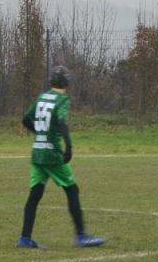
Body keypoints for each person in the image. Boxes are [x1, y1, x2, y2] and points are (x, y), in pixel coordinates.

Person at [17, 68, 105, 248]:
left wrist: (39, 133)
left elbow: (26, 119)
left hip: (38, 152)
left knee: (35, 195)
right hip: (52, 154)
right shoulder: (62, 100)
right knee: (72, 190)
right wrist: (69, 146)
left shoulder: (42, 97)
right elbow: (62, 122)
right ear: (67, 83)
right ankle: (81, 235)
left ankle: (25, 238)